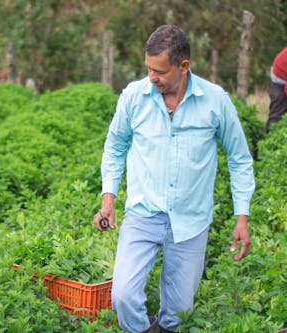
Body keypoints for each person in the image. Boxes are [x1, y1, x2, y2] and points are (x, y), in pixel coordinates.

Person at [93, 25, 255, 333]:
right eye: (149, 69)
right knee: (123, 296)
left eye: (160, 71)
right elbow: (114, 146)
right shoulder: (134, 97)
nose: (152, 77)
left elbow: (240, 159)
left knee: (179, 313)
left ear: (184, 66)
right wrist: (108, 198)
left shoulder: (215, 101)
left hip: (190, 220)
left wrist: (241, 217)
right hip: (143, 213)